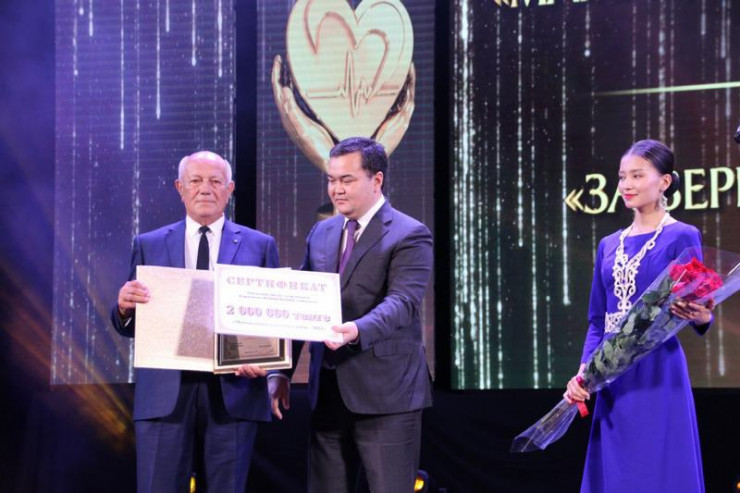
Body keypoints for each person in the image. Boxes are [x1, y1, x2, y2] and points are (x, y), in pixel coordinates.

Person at [269, 137, 433, 493]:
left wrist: (356, 330)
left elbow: (403, 302)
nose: (336, 190)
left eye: (347, 180)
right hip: (328, 394)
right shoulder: (322, 231)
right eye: (331, 180)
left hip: (387, 397)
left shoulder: (410, 234)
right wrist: (281, 371)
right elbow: (302, 302)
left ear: (377, 180)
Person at [111, 151, 279, 492]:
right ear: (180, 187)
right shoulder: (148, 244)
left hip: (233, 391)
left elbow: (273, 319)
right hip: (165, 393)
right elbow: (128, 324)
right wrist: (125, 309)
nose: (205, 189)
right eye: (196, 181)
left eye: (215, 181)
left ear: (229, 189)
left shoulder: (260, 245)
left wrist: (265, 360)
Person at [564, 140, 714, 493]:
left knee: (658, 468)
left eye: (637, 175)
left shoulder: (682, 235)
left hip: (658, 369)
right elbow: (598, 319)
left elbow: (702, 309)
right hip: (611, 373)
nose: (626, 185)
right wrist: (585, 370)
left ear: (665, 182)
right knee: (618, 470)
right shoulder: (608, 244)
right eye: (622, 177)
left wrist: (702, 316)